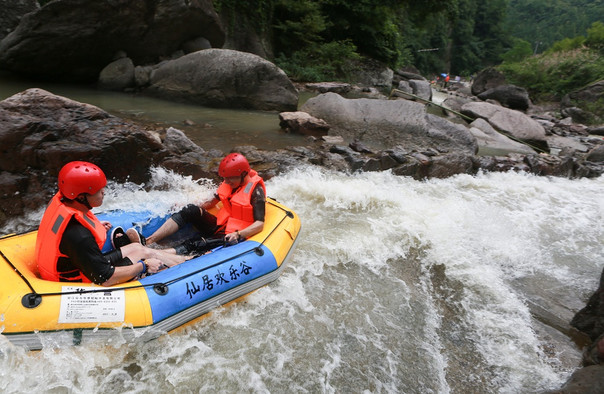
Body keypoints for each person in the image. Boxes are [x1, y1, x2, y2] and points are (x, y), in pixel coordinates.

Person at [36, 161, 188, 286]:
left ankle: (185, 260)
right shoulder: (80, 236)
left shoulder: (65, 201)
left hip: (78, 264)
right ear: (81, 197)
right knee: (145, 256)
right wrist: (144, 266)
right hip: (77, 281)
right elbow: (105, 278)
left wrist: (96, 225)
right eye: (99, 191)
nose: (104, 193)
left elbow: (66, 234)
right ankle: (188, 263)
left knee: (137, 247)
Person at [146, 153, 266, 253]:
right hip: (221, 224)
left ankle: (157, 254)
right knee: (190, 209)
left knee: (198, 243)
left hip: (234, 234)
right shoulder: (230, 183)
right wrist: (186, 205)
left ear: (243, 174)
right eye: (225, 178)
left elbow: (259, 224)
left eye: (230, 178)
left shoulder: (256, 191)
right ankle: (150, 240)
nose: (226, 181)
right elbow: (211, 202)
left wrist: (239, 234)